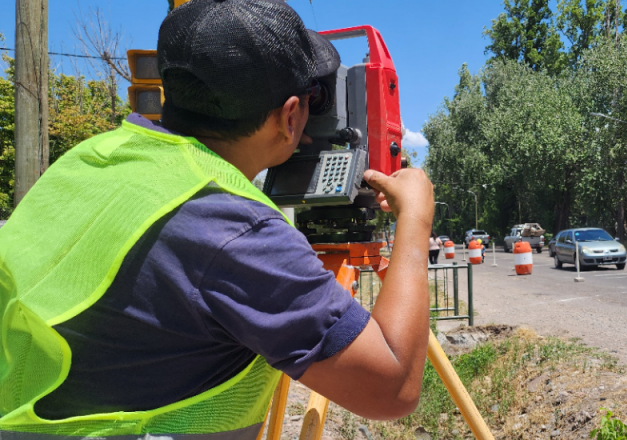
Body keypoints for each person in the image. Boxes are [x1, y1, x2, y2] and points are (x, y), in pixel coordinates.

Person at [0, 0, 431, 435]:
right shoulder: (236, 228)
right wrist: (415, 217)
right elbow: (392, 387)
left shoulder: (89, 158)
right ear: (290, 115)